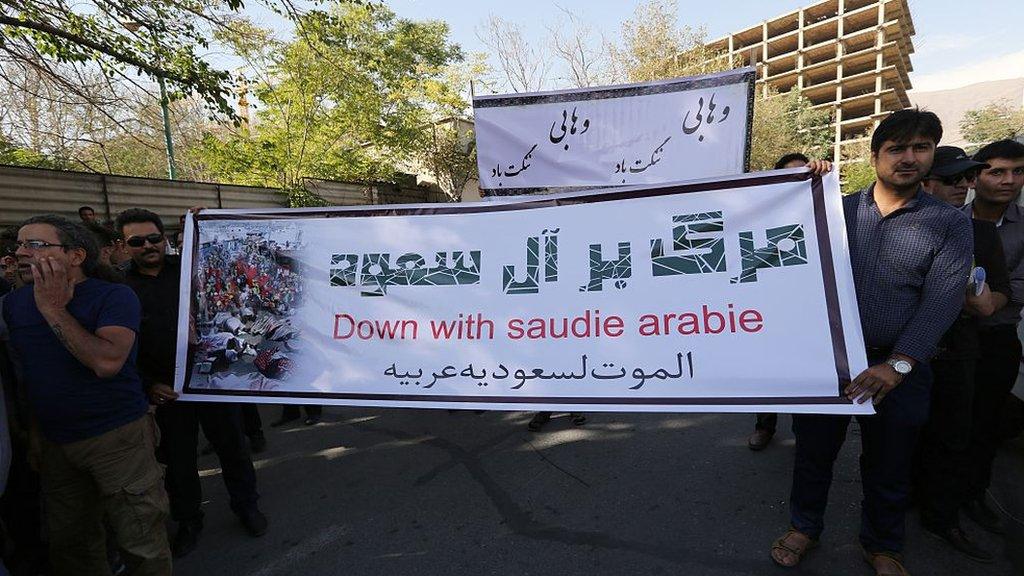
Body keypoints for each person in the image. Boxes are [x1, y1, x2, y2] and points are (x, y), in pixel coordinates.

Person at [769, 109, 972, 576]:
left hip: (899, 367)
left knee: (890, 460)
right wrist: (803, 184)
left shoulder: (949, 223)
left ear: (932, 155)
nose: (908, 157)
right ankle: (804, 527)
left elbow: (942, 300)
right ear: (875, 154)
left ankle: (883, 545)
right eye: (896, 148)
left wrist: (899, 364)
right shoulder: (833, 209)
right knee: (814, 452)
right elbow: (770, 240)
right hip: (829, 362)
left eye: (920, 148)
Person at [2, 215, 171, 576]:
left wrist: (52, 308)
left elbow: (106, 362)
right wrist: (34, 435)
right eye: (18, 244)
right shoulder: (14, 305)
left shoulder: (113, 296)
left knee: (140, 539)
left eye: (35, 245)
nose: (20, 253)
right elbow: (28, 376)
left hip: (118, 439)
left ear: (76, 255)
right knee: (72, 543)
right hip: (54, 443)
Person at [117, 208, 268, 558]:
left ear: (164, 238)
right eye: (136, 241)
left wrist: (211, 222)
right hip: (165, 391)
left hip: (211, 382)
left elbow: (231, 262)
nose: (148, 246)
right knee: (178, 460)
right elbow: (120, 347)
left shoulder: (189, 271)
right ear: (124, 247)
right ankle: (188, 520)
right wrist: (147, 384)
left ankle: (246, 506)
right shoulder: (119, 288)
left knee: (233, 447)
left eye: (154, 238)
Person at [914, 146, 1008, 563]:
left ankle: (943, 517)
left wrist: (977, 294)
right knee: (902, 435)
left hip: (958, 353)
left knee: (955, 438)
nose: (964, 187)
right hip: (906, 353)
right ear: (925, 182)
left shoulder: (981, 234)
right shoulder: (896, 227)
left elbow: (992, 299)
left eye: (968, 179)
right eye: (953, 179)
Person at [962, 139, 1024, 536]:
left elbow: (1018, 286)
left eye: (1017, 172)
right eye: (997, 172)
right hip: (951, 339)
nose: (1008, 181)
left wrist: (991, 297)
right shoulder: (950, 219)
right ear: (976, 177)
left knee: (985, 424)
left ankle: (974, 494)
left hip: (997, 338)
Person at [748, 152, 812, 451]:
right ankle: (765, 426)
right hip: (766, 309)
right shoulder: (763, 213)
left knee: (807, 372)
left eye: (804, 172)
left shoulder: (821, 211)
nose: (798, 178)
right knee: (767, 373)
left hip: (805, 311)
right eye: (790, 174)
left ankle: (807, 430)